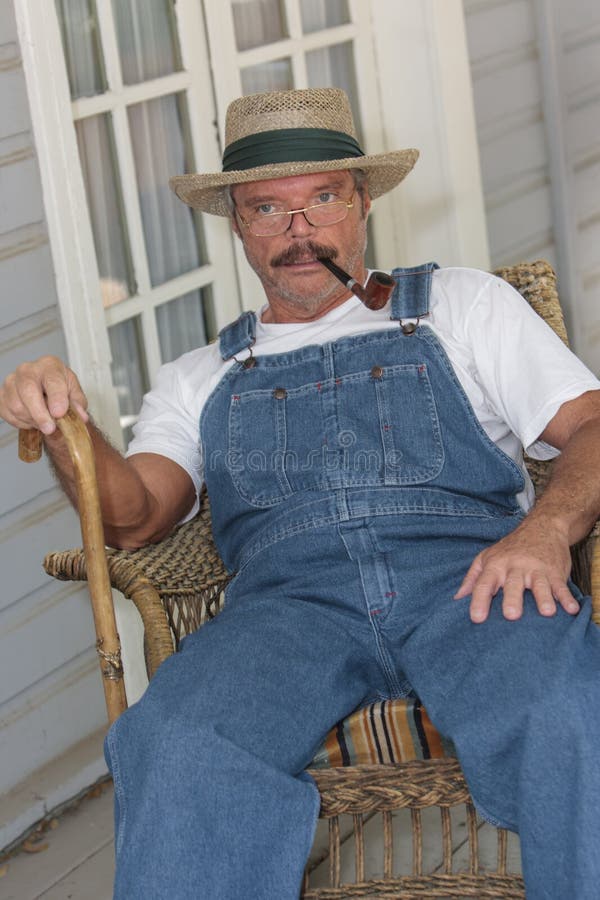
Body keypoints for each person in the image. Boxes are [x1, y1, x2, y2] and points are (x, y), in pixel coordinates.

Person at [2, 87, 600, 899]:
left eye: (322, 198)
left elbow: (592, 426)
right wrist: (71, 423)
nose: (299, 232)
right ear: (237, 226)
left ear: (361, 204)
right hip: (289, 611)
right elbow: (137, 518)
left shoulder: (463, 307)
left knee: (570, 712)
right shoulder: (199, 377)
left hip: (474, 580)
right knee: (174, 741)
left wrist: (547, 530)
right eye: (266, 210)